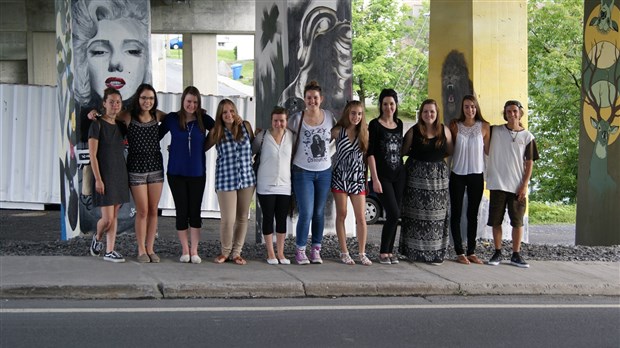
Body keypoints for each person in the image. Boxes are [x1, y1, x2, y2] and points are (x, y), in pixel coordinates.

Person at [88, 84, 166, 263]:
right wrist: (93, 114)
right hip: (129, 169)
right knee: (133, 213)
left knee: (147, 211)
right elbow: (93, 152)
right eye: (144, 98)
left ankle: (120, 249)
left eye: (151, 98)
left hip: (134, 171)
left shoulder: (155, 116)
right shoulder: (122, 118)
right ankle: (106, 240)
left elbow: (176, 120)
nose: (147, 101)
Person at [159, 86, 215, 264]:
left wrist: (204, 147)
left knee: (195, 212)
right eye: (189, 101)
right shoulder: (172, 119)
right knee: (182, 211)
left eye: (195, 102)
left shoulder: (204, 119)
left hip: (197, 173)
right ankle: (184, 250)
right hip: (176, 173)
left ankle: (194, 250)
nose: (192, 105)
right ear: (183, 101)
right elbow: (156, 135)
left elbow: (219, 129)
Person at [288, 80, 336, 265]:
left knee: (318, 212)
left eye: (315, 98)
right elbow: (284, 135)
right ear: (304, 99)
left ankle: (316, 249)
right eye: (309, 98)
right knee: (306, 211)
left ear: (321, 99)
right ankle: (300, 249)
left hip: (324, 171)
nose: (312, 101)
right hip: (302, 171)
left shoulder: (330, 116)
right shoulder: (296, 118)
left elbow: (338, 135)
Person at [400, 99, 453, 265]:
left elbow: (450, 151)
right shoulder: (413, 131)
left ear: (436, 114)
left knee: (436, 217)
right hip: (415, 179)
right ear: (421, 114)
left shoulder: (445, 130)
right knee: (414, 215)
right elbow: (402, 151)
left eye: (432, 111)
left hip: (438, 180)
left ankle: (436, 254)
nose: (429, 114)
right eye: (425, 111)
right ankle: (413, 252)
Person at [486, 100, 539, 268]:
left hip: (517, 185)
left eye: (515, 111)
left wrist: (524, 185)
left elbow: (529, 163)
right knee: (496, 220)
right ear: (505, 113)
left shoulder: (527, 136)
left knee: (517, 221)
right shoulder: (495, 130)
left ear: (520, 113)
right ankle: (497, 251)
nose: (512, 114)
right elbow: (478, 126)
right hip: (497, 183)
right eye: (508, 111)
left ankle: (516, 254)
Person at [206, 99, 256, 266]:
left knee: (242, 217)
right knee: (228, 219)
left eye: (231, 111)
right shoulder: (216, 131)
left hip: (247, 179)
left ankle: (237, 253)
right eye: (225, 112)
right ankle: (225, 251)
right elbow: (200, 147)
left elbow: (254, 145)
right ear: (220, 115)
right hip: (225, 180)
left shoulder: (246, 126)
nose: (229, 115)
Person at [88, 87, 130, 263]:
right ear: (104, 103)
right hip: (104, 176)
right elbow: (92, 155)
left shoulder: (120, 125)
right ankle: (97, 238)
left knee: (114, 217)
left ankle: (110, 250)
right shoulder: (96, 124)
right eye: (111, 102)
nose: (115, 105)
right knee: (107, 218)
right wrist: (98, 178)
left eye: (118, 102)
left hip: (120, 174)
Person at [448, 95, 490, 265]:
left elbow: (489, 153)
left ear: (476, 108)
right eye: (466, 106)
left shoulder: (485, 127)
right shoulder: (454, 126)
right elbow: (449, 150)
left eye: (473, 106)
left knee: (473, 213)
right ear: (462, 108)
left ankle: (471, 250)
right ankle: (459, 251)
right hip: (457, 173)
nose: (470, 110)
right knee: (456, 212)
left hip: (476, 174)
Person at [331, 101, 372, 266]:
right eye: (353, 113)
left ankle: (362, 253)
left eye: (360, 114)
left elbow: (368, 157)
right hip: (340, 176)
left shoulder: (365, 133)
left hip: (357, 178)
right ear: (348, 113)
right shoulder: (337, 131)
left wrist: (367, 177)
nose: (356, 117)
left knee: (361, 217)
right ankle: (344, 252)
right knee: (342, 214)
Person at [367, 89, 405, 265]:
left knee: (395, 216)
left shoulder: (400, 124)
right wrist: (374, 179)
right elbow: (371, 154)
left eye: (391, 103)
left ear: (396, 105)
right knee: (393, 212)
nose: (388, 107)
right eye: (385, 104)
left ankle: (390, 252)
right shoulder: (375, 125)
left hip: (399, 175)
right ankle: (383, 252)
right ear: (380, 106)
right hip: (382, 177)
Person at [253, 107, 293, 265]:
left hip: (285, 185)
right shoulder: (262, 136)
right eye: (275, 120)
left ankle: (281, 253)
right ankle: (270, 253)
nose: (279, 123)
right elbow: (250, 152)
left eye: (282, 120)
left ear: (286, 121)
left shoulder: (291, 136)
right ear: (271, 121)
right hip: (266, 185)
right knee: (268, 218)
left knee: (282, 219)